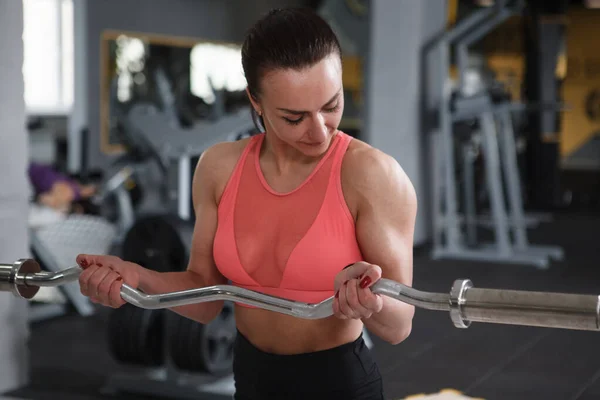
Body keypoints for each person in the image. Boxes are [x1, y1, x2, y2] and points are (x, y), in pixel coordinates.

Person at [75, 7, 417, 400]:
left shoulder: (373, 174)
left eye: (331, 105)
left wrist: (368, 303)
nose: (320, 131)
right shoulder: (220, 167)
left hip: (338, 383)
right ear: (256, 101)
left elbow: (399, 325)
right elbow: (204, 296)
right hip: (252, 378)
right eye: (294, 117)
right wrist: (136, 278)